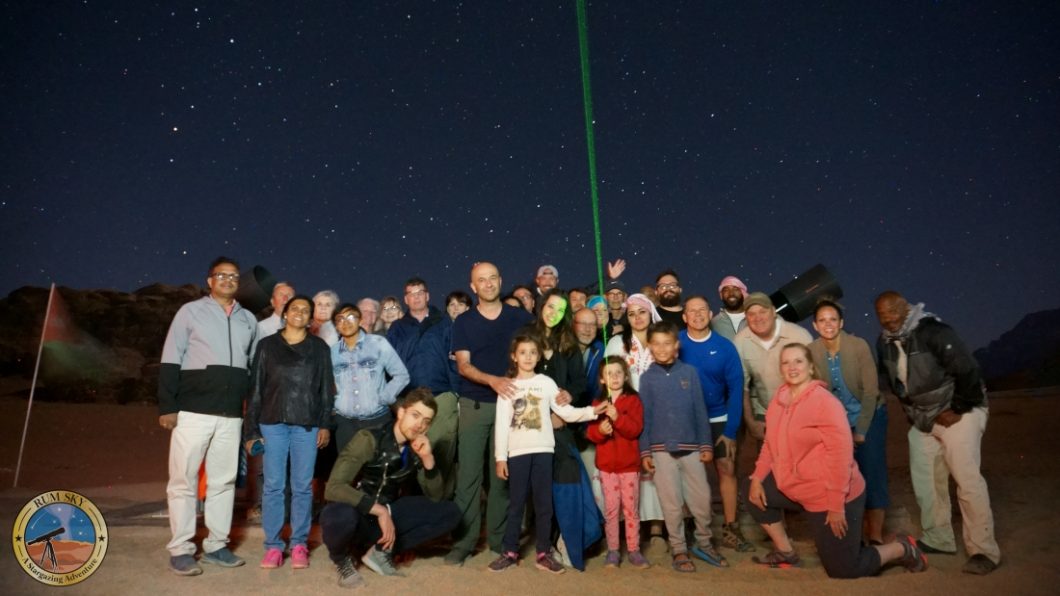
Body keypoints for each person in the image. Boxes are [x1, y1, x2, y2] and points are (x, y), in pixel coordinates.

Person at [747, 344, 928, 577]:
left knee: (843, 569)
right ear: (781, 369)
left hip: (832, 494)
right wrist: (757, 478)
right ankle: (785, 552)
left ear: (811, 367)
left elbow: (841, 458)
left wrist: (835, 506)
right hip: (795, 486)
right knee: (750, 489)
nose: (792, 367)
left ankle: (901, 549)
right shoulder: (778, 402)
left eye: (798, 361)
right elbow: (770, 446)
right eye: (786, 362)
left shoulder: (825, 403)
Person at [875, 291, 1001, 575]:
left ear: (906, 308)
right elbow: (899, 385)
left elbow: (968, 370)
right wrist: (915, 416)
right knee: (926, 478)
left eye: (893, 311)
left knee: (967, 479)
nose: (889, 319)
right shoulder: (883, 343)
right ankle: (939, 538)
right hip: (925, 418)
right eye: (882, 314)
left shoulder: (933, 331)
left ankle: (984, 551)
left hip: (960, 410)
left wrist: (957, 408)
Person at [159, 256, 258, 575]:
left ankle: (217, 545)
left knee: (223, 482)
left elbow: (252, 367)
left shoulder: (248, 319)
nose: (229, 280)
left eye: (233, 276)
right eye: (222, 275)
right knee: (183, 481)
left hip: (230, 415)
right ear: (209, 280)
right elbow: (171, 359)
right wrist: (168, 406)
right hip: (192, 412)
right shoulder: (190, 312)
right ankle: (182, 548)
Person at [488, 335, 606, 574]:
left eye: (533, 352)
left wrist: (593, 411)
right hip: (517, 452)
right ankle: (510, 551)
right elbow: (501, 424)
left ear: (539, 355)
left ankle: (543, 552)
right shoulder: (507, 386)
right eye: (523, 352)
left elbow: (567, 412)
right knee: (517, 503)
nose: (528, 356)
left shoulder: (546, 383)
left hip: (543, 451)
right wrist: (501, 457)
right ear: (514, 356)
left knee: (544, 504)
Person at [321, 389, 461, 588]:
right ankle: (342, 559)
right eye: (415, 415)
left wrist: (428, 459)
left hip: (387, 517)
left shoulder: (417, 448)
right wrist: (379, 511)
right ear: (401, 413)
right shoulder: (369, 438)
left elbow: (436, 496)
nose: (420, 425)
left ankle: (380, 551)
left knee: (450, 512)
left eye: (426, 421)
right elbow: (333, 488)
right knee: (338, 515)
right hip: (357, 514)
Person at [446, 262, 534, 566]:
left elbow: (536, 355)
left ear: (500, 280)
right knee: (469, 476)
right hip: (476, 404)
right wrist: (493, 380)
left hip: (512, 407)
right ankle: (464, 542)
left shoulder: (520, 317)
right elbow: (463, 365)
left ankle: (498, 540)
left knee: (502, 478)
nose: (488, 284)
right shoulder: (465, 322)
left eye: (492, 278)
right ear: (473, 287)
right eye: (481, 280)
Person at [243, 295, 333, 570]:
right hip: (273, 422)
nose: (300, 313)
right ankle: (272, 546)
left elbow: (326, 390)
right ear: (285, 313)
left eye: (306, 310)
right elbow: (256, 389)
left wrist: (325, 424)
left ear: (310, 318)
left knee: (303, 487)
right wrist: (251, 430)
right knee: (273, 486)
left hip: (306, 423)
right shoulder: (267, 345)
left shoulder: (319, 348)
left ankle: (299, 544)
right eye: (295, 308)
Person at [638, 321, 727, 572]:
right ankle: (678, 549)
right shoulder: (647, 379)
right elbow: (645, 417)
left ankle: (704, 543)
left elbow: (700, 410)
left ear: (676, 345)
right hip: (661, 451)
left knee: (702, 500)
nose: (662, 348)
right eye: (656, 344)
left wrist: (706, 444)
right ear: (650, 347)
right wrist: (645, 451)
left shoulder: (689, 373)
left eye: (667, 343)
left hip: (693, 448)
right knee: (671, 503)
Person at [810, 300, 889, 545]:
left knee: (871, 472)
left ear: (841, 322)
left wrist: (861, 431)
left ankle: (874, 535)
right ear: (815, 325)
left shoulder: (858, 346)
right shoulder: (811, 350)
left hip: (868, 415)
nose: (828, 324)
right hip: (838, 421)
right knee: (842, 475)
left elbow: (870, 391)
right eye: (822, 320)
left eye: (833, 319)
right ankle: (851, 534)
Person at [678, 296, 753, 552]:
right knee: (689, 473)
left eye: (702, 310)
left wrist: (731, 430)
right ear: (684, 317)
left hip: (718, 416)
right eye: (692, 311)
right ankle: (694, 528)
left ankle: (731, 527)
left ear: (710, 314)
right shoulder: (676, 344)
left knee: (726, 466)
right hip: (687, 419)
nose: (697, 314)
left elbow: (735, 389)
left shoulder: (725, 347)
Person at [386, 277, 460, 499]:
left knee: (443, 452)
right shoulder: (398, 328)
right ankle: (418, 504)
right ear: (406, 299)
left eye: (420, 292)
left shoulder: (444, 323)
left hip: (442, 396)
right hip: (410, 398)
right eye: (411, 293)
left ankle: (443, 503)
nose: (416, 297)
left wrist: (457, 394)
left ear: (427, 295)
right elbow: (390, 363)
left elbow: (454, 360)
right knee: (414, 453)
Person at [603, 293, 665, 551]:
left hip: (659, 413)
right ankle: (628, 532)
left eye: (642, 312)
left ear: (651, 312)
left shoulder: (661, 340)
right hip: (626, 415)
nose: (637, 318)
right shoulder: (618, 342)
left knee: (657, 470)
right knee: (631, 472)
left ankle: (657, 528)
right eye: (631, 313)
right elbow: (608, 377)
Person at [586, 356, 649, 569]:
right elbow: (590, 433)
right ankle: (613, 550)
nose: (614, 377)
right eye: (609, 373)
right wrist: (600, 431)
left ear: (626, 376)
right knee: (611, 510)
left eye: (618, 372)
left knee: (630, 509)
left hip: (629, 466)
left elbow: (635, 429)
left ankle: (634, 549)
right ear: (602, 379)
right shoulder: (598, 404)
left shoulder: (633, 400)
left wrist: (618, 418)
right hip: (606, 467)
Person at [733, 292, 813, 444]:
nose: (758, 318)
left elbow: (815, 379)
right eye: (751, 314)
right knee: (768, 464)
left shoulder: (800, 336)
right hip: (764, 414)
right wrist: (750, 422)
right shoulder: (740, 342)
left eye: (763, 311)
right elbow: (742, 386)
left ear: (773, 311)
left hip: (799, 412)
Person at [330, 303, 410, 451]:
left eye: (351, 317)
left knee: (378, 470)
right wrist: (336, 404)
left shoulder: (378, 343)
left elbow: (401, 375)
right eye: (340, 319)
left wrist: (385, 397)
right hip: (345, 423)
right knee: (349, 471)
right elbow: (329, 384)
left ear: (360, 320)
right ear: (336, 325)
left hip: (377, 420)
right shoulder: (333, 352)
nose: (346, 322)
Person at [710, 276, 748, 341]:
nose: (731, 293)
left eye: (735, 289)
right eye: (726, 290)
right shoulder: (713, 324)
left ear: (742, 293)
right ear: (721, 295)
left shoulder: (755, 318)